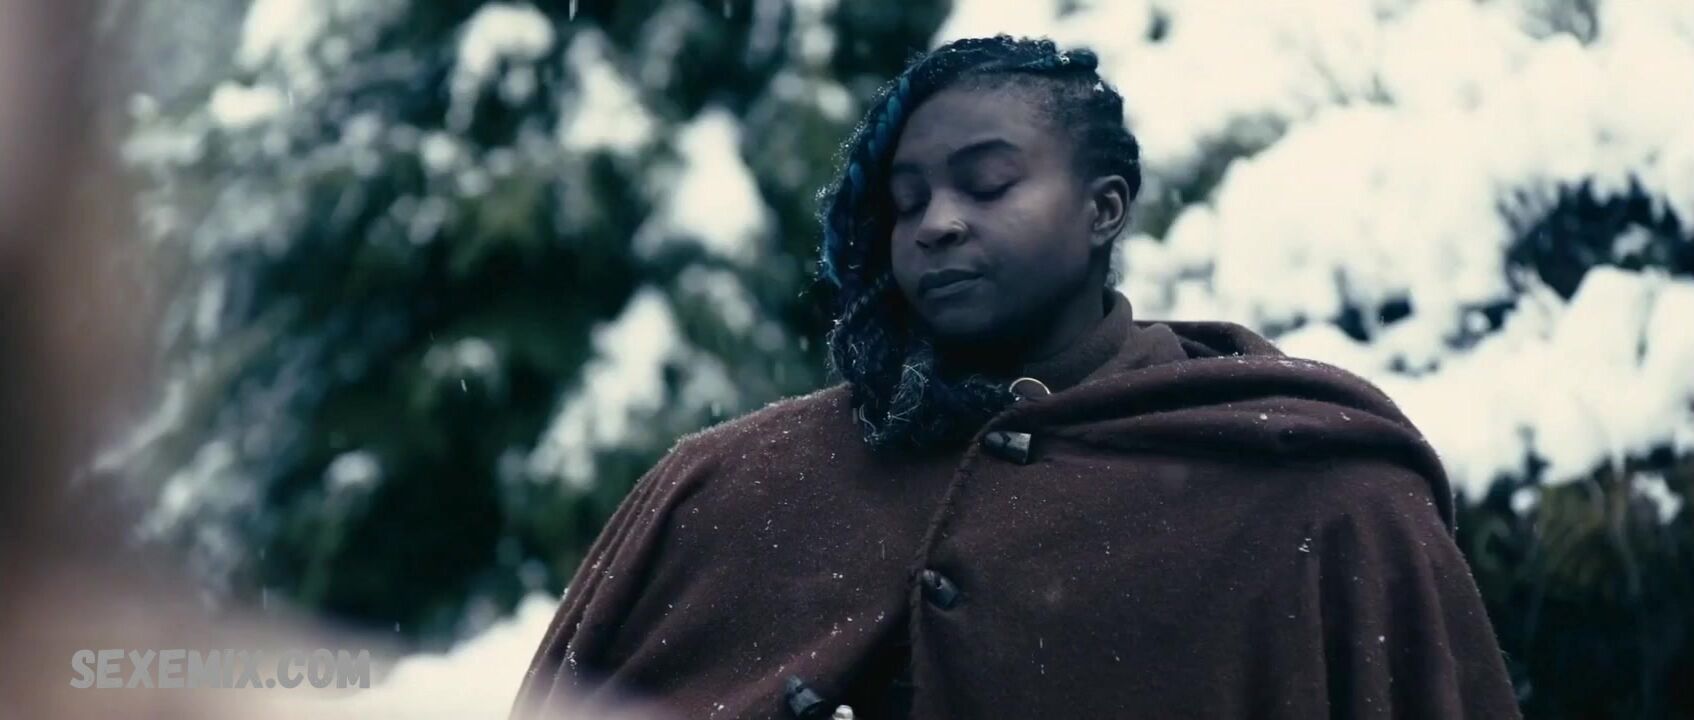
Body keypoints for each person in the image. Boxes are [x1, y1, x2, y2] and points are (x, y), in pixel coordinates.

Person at [513, 35, 1520, 720]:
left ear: (1103, 210)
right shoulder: (729, 493)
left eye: (987, 183)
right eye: (907, 202)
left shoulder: (1310, 493)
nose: (938, 223)